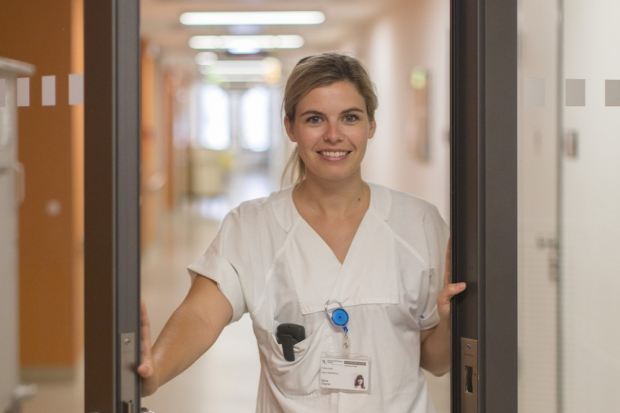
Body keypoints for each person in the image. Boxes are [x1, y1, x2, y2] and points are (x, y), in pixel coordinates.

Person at [138, 52, 466, 413]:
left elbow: (435, 361)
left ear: (371, 125)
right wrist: (154, 371)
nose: (333, 135)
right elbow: (200, 315)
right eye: (315, 119)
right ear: (290, 127)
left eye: (350, 118)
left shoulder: (418, 222)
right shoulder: (252, 226)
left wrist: (449, 323)